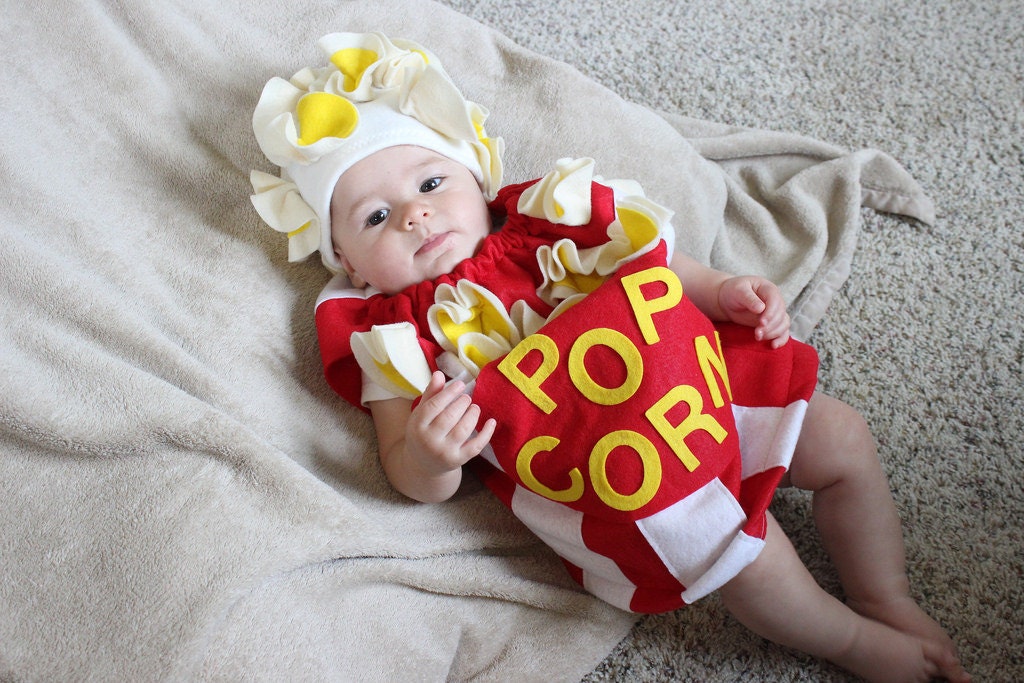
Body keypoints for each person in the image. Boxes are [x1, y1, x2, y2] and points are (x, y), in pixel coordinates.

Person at [250, 32, 969, 682]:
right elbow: (404, 465)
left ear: (476, 178)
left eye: (432, 183)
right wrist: (431, 456)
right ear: (349, 263)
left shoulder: (546, 219)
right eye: (376, 216)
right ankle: (850, 639)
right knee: (747, 555)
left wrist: (724, 290)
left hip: (701, 381)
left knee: (842, 438)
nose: (415, 213)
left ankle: (885, 594)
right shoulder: (396, 336)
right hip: (619, 472)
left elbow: (652, 262)